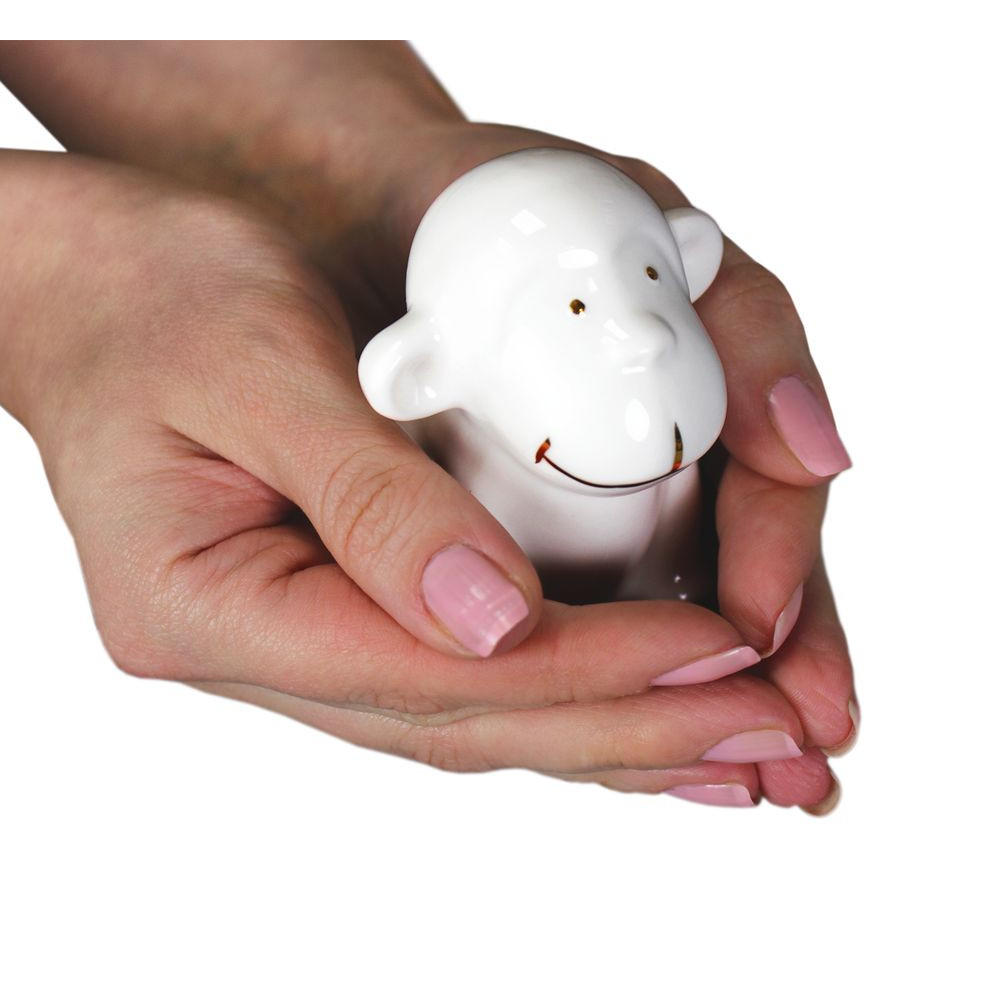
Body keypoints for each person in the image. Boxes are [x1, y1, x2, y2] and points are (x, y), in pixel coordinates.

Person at [0, 41, 855, 811]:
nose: (642, 332)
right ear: (422, 377)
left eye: (652, 277)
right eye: (570, 308)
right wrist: (42, 276)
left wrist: (314, 147)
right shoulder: (448, 436)